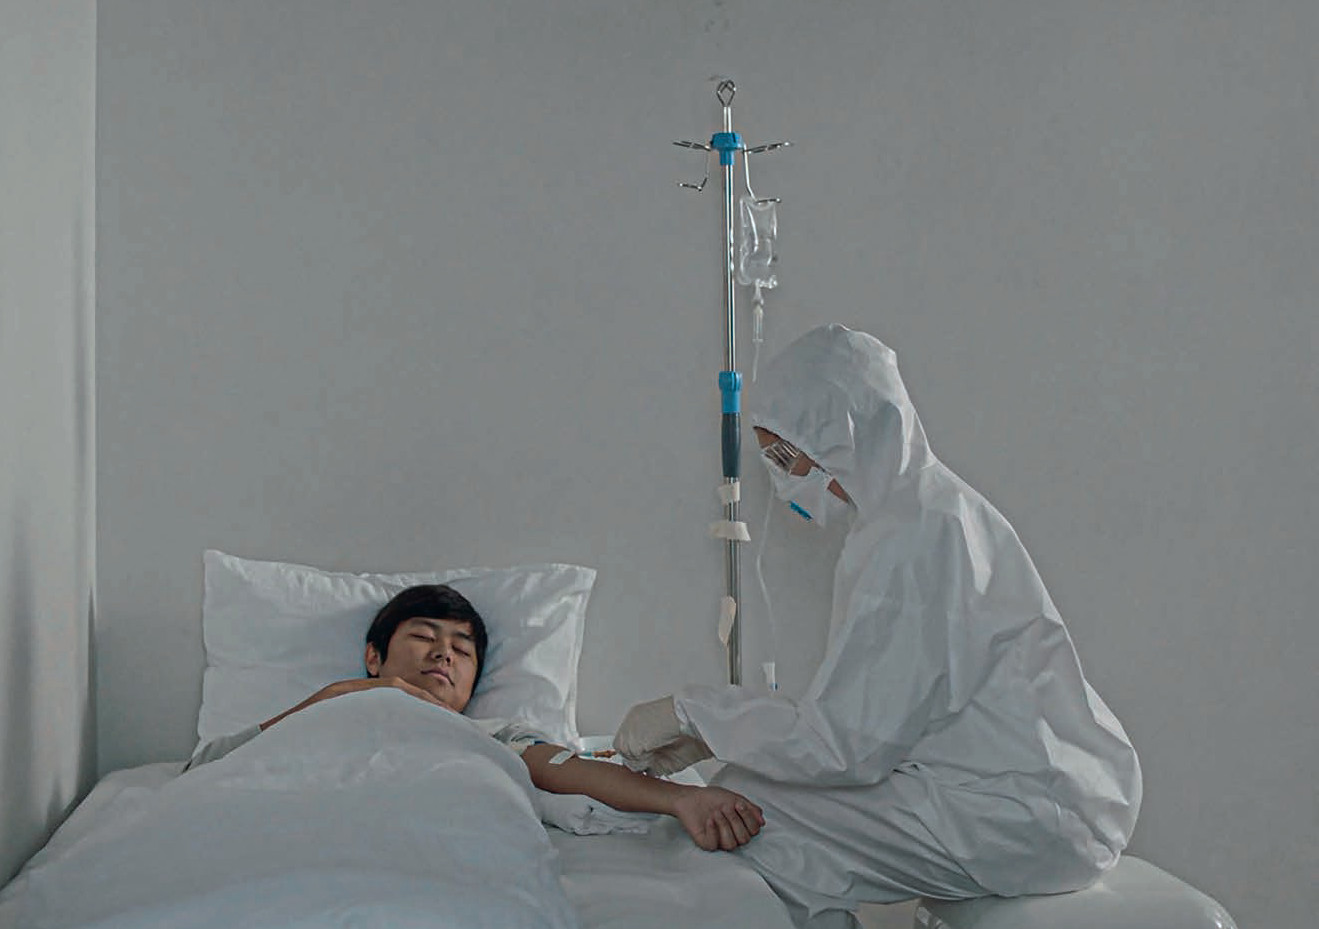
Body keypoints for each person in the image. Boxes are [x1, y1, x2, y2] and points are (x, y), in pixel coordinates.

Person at [614, 324, 1142, 926]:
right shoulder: (920, 513)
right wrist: (714, 732)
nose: (782, 480)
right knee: (745, 795)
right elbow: (869, 722)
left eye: (785, 457)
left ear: (842, 433)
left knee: (750, 815)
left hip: (1024, 813)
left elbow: (844, 747)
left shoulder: (911, 539)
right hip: (1037, 790)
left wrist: (694, 714)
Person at [187, 583, 765, 853]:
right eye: (423, 636)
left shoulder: (490, 737)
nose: (444, 653)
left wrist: (682, 800)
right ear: (373, 657)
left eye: (462, 649)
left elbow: (566, 768)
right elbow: (205, 770)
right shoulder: (330, 707)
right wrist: (338, 697)